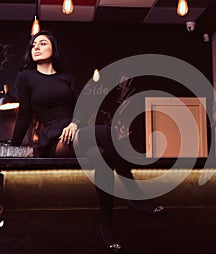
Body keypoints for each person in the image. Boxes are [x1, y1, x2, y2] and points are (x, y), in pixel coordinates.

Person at [10, 30, 165, 253]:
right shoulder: (26, 77)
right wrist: (12, 150)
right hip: (56, 139)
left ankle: (107, 227)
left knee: (101, 155)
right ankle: (134, 195)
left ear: (53, 49)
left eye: (42, 43)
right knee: (105, 131)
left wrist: (74, 123)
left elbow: (81, 109)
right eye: (33, 44)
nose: (36, 47)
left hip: (76, 131)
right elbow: (25, 114)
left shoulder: (66, 78)